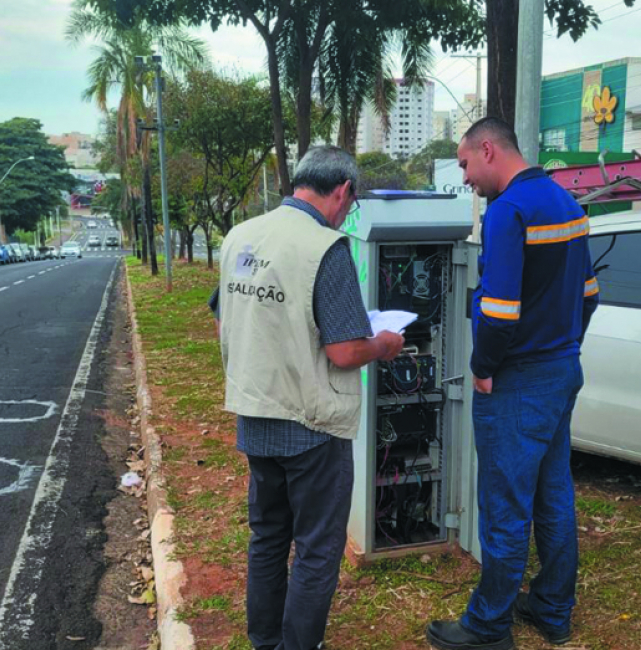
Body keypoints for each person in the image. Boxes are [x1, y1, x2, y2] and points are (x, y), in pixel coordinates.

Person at [209, 145, 405, 650]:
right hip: (313, 427)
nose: (347, 212)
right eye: (350, 202)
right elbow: (343, 352)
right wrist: (384, 344)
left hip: (255, 416)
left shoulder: (240, 237)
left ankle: (265, 642)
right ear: (341, 191)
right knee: (317, 548)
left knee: (269, 537)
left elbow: (223, 314)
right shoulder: (326, 247)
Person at [426, 118, 599, 650]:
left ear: (487, 150)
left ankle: (488, 625)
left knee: (505, 504)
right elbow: (590, 294)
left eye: (464, 164)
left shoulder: (507, 212)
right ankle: (551, 609)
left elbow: (499, 314)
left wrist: (482, 368)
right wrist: (562, 345)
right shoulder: (566, 202)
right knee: (553, 494)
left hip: (517, 381)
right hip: (561, 371)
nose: (466, 177)